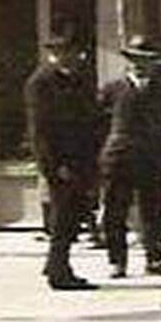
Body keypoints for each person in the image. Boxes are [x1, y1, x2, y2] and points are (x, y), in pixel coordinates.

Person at [25, 31, 101, 291]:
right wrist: (55, 166)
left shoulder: (80, 80)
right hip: (60, 163)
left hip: (81, 160)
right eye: (58, 53)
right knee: (63, 218)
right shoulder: (41, 83)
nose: (64, 58)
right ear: (50, 55)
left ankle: (55, 263)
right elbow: (41, 130)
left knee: (73, 215)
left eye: (69, 52)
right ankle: (59, 271)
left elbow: (90, 121)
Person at [97, 36, 161, 279]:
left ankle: (154, 258)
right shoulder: (112, 90)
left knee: (152, 209)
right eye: (136, 60)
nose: (141, 65)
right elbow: (96, 123)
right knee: (115, 209)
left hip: (152, 155)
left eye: (147, 60)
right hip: (118, 156)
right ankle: (117, 261)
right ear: (128, 61)